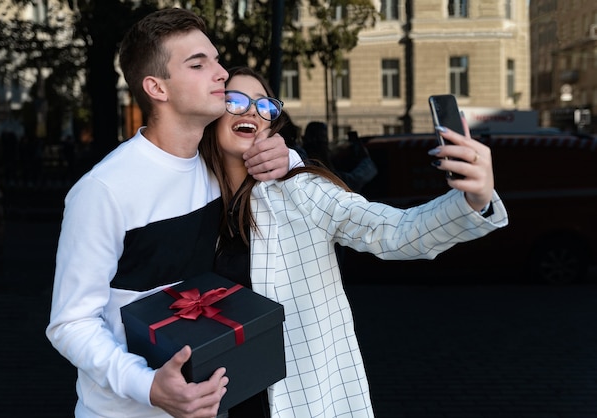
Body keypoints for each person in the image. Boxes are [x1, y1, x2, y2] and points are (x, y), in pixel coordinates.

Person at [198, 66, 509, 417]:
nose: (252, 110)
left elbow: (392, 231)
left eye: (264, 106)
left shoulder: (301, 191)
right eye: (236, 100)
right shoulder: (192, 197)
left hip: (297, 399)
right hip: (221, 399)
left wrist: (474, 201)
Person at [45, 9, 301, 418]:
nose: (220, 73)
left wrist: (289, 156)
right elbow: (70, 324)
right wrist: (148, 386)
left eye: (216, 60)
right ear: (156, 88)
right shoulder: (103, 190)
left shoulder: (215, 171)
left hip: (209, 406)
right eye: (198, 64)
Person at [301, 120, 377, 192]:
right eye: (323, 141)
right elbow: (350, 182)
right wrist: (366, 162)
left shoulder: (304, 160)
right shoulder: (314, 165)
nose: (325, 147)